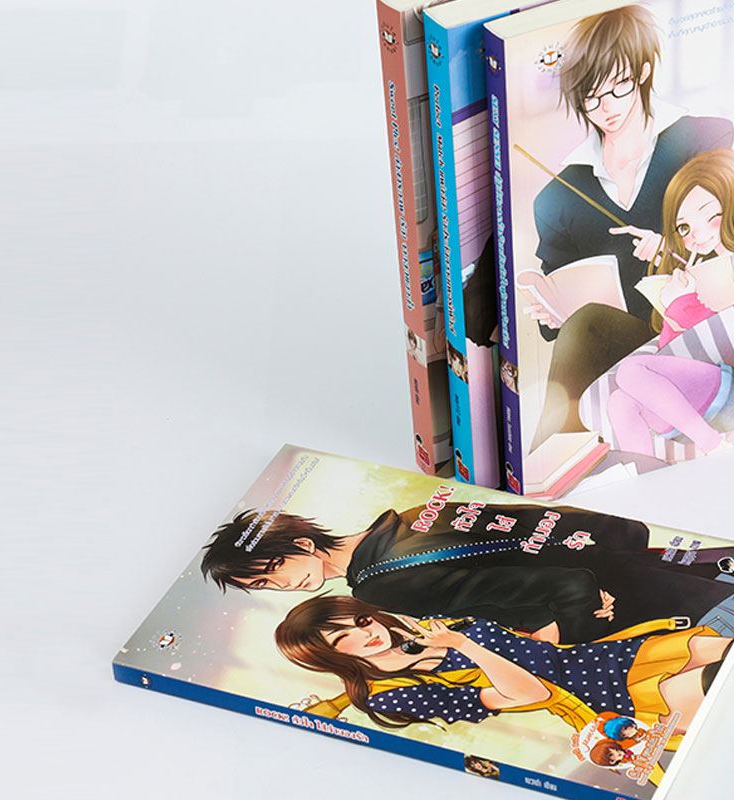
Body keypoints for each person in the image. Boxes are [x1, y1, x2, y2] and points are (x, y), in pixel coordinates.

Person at [522, 5, 733, 450]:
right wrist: (550, 313)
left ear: (643, 71)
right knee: (587, 327)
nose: (606, 107)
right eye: (591, 96)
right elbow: (561, 326)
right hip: (641, 348)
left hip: (711, 339)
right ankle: (559, 460)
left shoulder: (707, 140)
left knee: (594, 331)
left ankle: (552, 457)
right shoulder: (558, 198)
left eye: (618, 86)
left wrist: (669, 251)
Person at [201, 502, 734, 645]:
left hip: (660, 611)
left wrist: (561, 634)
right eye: (263, 586)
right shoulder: (412, 514)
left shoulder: (379, 584)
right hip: (666, 566)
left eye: (273, 568)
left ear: (301, 543)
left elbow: (562, 588)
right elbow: (556, 521)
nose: (281, 585)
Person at [274, 595, 732, 738]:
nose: (366, 633)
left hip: (611, 656)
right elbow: (532, 693)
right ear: (330, 656)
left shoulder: (430, 625)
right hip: (605, 699)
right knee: (721, 682)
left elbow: (531, 642)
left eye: (359, 621)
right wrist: (462, 646)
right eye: (342, 638)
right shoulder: (393, 693)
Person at [607, 149, 734, 458]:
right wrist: (671, 312)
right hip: (699, 391)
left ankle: (713, 446)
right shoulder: (697, 272)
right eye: (685, 228)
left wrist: (681, 305)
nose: (697, 236)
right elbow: (677, 351)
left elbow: (721, 340)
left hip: (727, 384)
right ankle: (645, 475)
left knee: (630, 370)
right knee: (619, 402)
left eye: (710, 216)